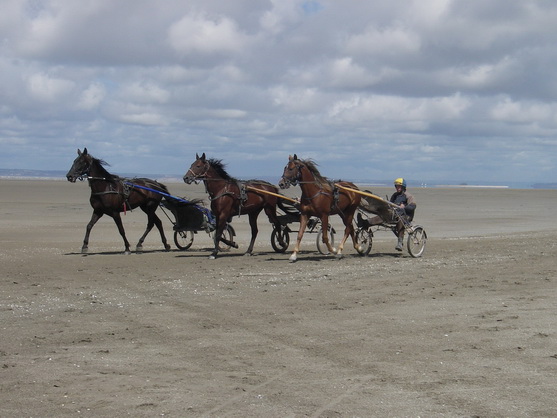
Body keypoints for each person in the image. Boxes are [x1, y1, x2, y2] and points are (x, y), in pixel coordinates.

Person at [357, 177, 417, 251]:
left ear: (403, 187)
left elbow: (413, 206)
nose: (398, 188)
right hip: (394, 214)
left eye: (399, 186)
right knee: (382, 216)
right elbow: (390, 205)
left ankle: (400, 242)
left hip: (406, 216)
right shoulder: (395, 195)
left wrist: (404, 207)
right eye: (397, 186)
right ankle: (364, 222)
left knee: (400, 220)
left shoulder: (408, 195)